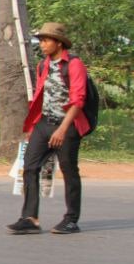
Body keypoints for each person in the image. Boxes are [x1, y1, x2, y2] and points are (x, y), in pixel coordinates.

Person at [7, 22, 88, 236]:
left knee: (69, 171)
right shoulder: (43, 65)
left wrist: (62, 130)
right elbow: (41, 96)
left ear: (58, 43)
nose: (42, 44)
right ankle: (30, 218)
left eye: (46, 40)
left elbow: (78, 100)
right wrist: (34, 126)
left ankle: (71, 219)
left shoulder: (74, 64)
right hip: (44, 123)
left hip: (67, 125)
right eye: (41, 40)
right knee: (29, 166)